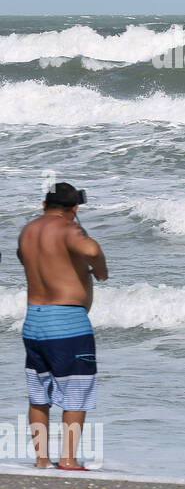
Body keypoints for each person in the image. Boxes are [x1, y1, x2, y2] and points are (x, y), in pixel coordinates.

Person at [16, 182, 108, 470]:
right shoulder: (71, 230)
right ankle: (68, 459)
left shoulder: (28, 231)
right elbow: (91, 248)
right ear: (75, 208)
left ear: (44, 205)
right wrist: (100, 272)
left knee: (39, 396)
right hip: (67, 325)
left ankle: (42, 459)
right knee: (76, 394)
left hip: (34, 322)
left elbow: (23, 257)